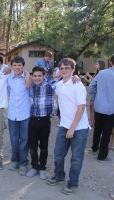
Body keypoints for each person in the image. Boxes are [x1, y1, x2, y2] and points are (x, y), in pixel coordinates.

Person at [47, 58, 90, 195]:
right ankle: (59, 176)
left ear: (73, 69)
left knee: (76, 159)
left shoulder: (78, 86)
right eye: (62, 68)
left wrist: (72, 128)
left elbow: (81, 108)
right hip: (64, 125)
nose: (64, 70)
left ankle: (73, 183)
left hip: (79, 128)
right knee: (58, 155)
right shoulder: (59, 85)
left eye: (67, 68)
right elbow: (45, 82)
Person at [26, 66, 55, 180]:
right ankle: (34, 166)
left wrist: (76, 76)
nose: (37, 78)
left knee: (43, 145)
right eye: (35, 76)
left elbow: (63, 80)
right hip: (33, 120)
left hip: (44, 120)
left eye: (39, 76)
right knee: (32, 145)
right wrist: (28, 74)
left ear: (44, 76)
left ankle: (42, 167)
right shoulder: (30, 85)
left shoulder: (51, 85)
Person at [7, 56, 31, 176]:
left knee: (25, 140)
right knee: (14, 139)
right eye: (15, 65)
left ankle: (23, 163)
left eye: (19, 65)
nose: (17, 67)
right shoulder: (8, 78)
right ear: (11, 66)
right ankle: (14, 161)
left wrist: (27, 74)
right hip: (12, 114)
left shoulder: (27, 78)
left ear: (23, 66)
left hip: (25, 113)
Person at [89, 55, 114, 160]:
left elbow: (91, 86)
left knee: (97, 127)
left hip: (99, 106)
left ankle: (95, 147)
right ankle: (102, 155)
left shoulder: (102, 73)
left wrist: (95, 97)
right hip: (111, 108)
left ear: (111, 62)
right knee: (107, 132)